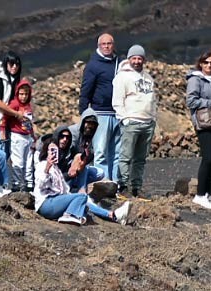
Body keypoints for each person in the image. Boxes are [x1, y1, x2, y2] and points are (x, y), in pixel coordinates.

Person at [34, 134, 129, 225]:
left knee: (82, 201)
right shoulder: (42, 165)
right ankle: (70, 215)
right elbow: (40, 185)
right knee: (81, 197)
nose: (55, 153)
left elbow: (64, 190)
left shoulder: (56, 169)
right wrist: (47, 168)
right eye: (51, 150)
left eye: (56, 150)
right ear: (46, 151)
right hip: (46, 203)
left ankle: (112, 215)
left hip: (56, 201)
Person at [113, 45, 158, 198]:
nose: (137, 61)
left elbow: (152, 99)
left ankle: (137, 187)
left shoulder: (148, 78)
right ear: (129, 59)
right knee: (126, 156)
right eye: (134, 58)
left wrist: (153, 118)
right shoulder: (122, 77)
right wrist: (125, 119)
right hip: (131, 122)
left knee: (140, 159)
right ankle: (123, 186)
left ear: (144, 60)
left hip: (147, 123)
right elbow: (118, 101)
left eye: (140, 58)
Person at [186, 51, 211, 209]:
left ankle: (209, 194)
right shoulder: (195, 79)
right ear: (201, 64)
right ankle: (200, 195)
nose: (209, 65)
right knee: (208, 158)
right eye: (206, 62)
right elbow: (191, 101)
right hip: (203, 123)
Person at [80, 34, 122, 183]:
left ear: (113, 45)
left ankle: (115, 183)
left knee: (117, 152)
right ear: (98, 46)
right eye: (103, 44)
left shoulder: (120, 63)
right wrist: (84, 115)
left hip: (118, 114)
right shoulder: (93, 66)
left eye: (109, 43)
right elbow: (85, 92)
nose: (106, 46)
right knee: (101, 152)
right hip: (100, 114)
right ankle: (102, 184)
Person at [6, 79, 36, 192]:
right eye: (21, 94)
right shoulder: (14, 104)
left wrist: (33, 136)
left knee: (29, 162)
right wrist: (4, 131)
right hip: (17, 135)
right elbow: (5, 117)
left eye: (26, 94)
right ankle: (16, 184)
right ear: (17, 93)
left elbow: (29, 123)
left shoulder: (28, 105)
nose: (23, 97)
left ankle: (29, 185)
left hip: (28, 136)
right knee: (18, 161)